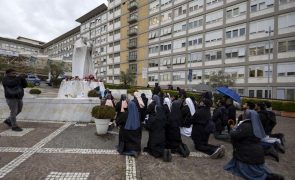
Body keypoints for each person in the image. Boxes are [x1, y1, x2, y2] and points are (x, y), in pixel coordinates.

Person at [224, 109, 284, 180]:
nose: (243, 115)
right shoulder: (255, 125)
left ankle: (268, 178)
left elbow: (236, 135)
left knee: (249, 172)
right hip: (257, 153)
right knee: (258, 169)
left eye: (244, 114)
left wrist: (232, 129)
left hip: (247, 154)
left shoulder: (246, 125)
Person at [188, 92, 225, 158]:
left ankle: (214, 150)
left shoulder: (200, 111)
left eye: (201, 100)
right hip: (205, 130)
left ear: (204, 102)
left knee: (198, 146)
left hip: (198, 130)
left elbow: (191, 120)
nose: (200, 101)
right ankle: (218, 148)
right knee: (204, 144)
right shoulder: (207, 110)